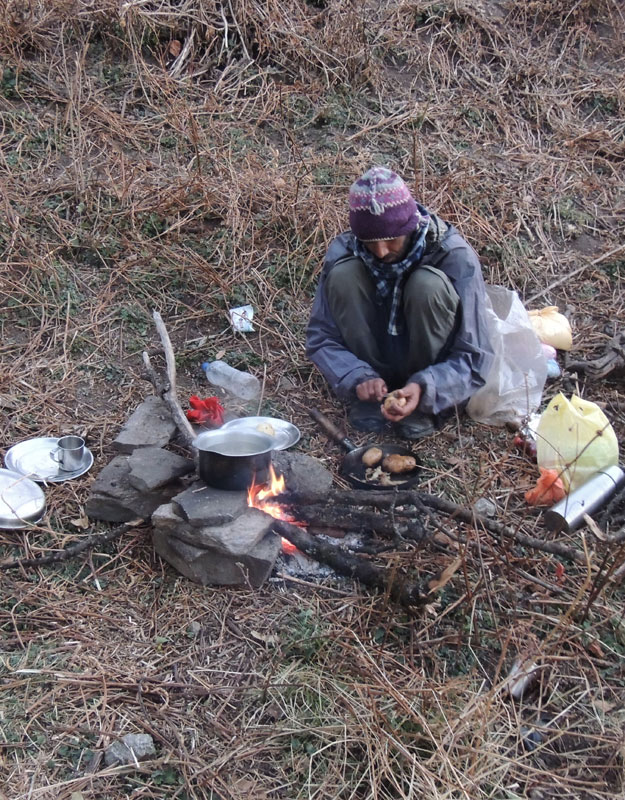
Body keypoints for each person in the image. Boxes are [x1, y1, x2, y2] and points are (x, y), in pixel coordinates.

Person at [306, 166, 494, 439]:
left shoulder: (454, 256)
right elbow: (321, 335)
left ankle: (422, 405)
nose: (381, 252)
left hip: (430, 370)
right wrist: (355, 375)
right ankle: (371, 395)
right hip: (372, 359)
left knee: (426, 285)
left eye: (391, 240)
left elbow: (475, 353)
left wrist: (428, 386)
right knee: (345, 275)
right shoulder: (344, 250)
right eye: (370, 242)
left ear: (410, 227)